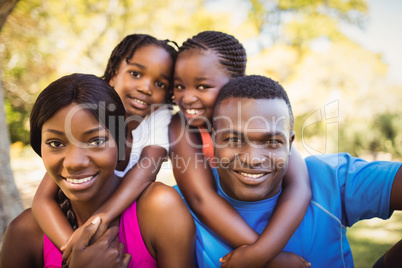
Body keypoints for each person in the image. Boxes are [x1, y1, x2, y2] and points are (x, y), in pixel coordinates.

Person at [177, 74, 402, 267]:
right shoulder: (176, 206)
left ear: (290, 144)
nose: (253, 159)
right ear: (214, 140)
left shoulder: (332, 179)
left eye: (272, 142)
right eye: (234, 139)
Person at [0, 73, 195, 268]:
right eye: (55, 143)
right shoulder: (24, 233)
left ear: (121, 142)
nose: (75, 162)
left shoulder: (160, 210)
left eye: (96, 141)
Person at [169, 31, 312, 267]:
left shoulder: (264, 126)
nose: (187, 97)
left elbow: (299, 188)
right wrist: (270, 258)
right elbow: (200, 197)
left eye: (202, 86)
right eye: (179, 86)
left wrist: (260, 253)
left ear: (235, 84)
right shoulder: (181, 126)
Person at [31, 34, 178, 257]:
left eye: (160, 83)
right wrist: (76, 253)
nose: (147, 88)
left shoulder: (159, 117)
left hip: (132, 223)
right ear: (112, 74)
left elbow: (146, 170)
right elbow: (42, 200)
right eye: (136, 73)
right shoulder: (86, 107)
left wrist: (98, 220)